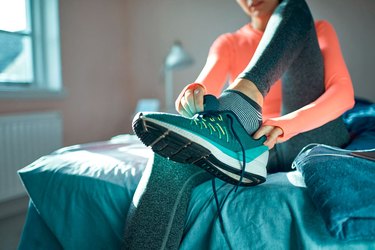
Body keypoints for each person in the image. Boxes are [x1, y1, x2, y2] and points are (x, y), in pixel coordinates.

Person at [126, 0, 354, 248]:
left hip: (309, 132)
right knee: (167, 158)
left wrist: (283, 125)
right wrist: (194, 96)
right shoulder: (229, 43)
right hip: (256, 143)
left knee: (296, 6)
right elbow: (206, 87)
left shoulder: (318, 28)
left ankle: (242, 101)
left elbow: (343, 93)